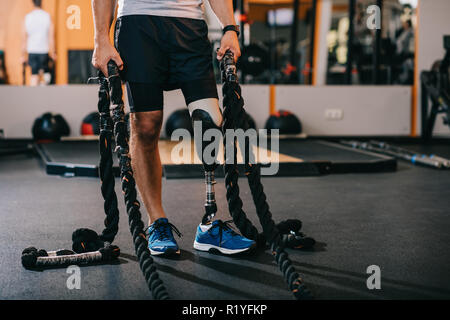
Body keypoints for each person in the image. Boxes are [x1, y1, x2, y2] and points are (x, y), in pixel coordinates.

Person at [92, 0, 256, 257]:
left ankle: (211, 222)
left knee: (209, 122)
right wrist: (101, 37)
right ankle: (157, 222)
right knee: (145, 126)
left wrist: (230, 28)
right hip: (138, 23)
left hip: (189, 24)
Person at [22, 0, 56, 86]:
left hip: (32, 50)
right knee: (45, 75)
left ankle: (32, 97)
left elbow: (24, 38)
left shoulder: (28, 17)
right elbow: (51, 37)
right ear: (41, 3)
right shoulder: (47, 16)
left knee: (34, 75)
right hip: (43, 50)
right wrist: (53, 52)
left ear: (32, 3)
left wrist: (22, 55)